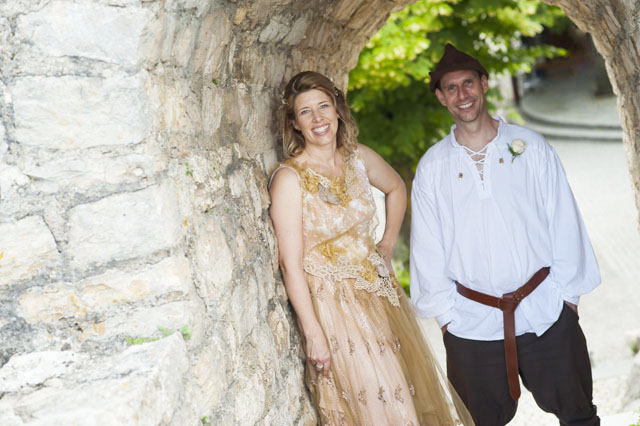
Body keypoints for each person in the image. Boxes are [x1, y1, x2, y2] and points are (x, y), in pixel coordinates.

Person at [410, 43, 601, 426]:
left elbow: (563, 220)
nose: (462, 94)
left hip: (545, 310)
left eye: (468, 83)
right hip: (471, 322)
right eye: (451, 88)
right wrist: (447, 319)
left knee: (579, 416)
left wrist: (567, 300)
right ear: (441, 97)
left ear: (484, 83)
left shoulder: (530, 147)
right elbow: (427, 247)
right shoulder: (432, 167)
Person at [269, 71, 473, 426]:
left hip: (380, 298)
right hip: (334, 308)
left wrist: (387, 244)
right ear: (295, 123)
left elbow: (396, 187)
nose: (318, 118)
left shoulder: (358, 158)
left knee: (405, 398)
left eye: (323, 106)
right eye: (305, 112)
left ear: (337, 110)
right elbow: (290, 265)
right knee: (378, 407)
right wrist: (313, 334)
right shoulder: (290, 179)